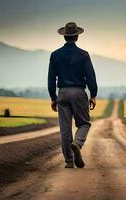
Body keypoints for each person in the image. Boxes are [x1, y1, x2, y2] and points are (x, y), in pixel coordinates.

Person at [47, 22, 98, 168]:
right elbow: (90, 77)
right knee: (84, 123)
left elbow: (51, 78)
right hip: (79, 93)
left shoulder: (55, 55)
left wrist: (53, 97)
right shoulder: (83, 55)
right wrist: (93, 94)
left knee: (65, 129)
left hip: (62, 93)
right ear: (77, 37)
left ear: (64, 36)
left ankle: (69, 161)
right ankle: (77, 143)